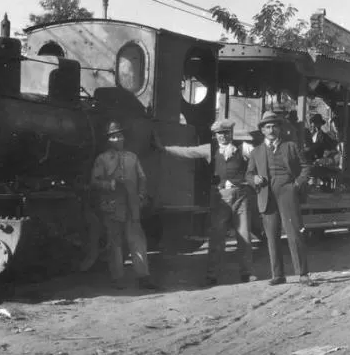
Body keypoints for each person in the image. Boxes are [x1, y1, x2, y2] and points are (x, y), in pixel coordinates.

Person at [157, 119, 256, 286]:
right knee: (217, 237)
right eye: (219, 133)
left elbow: (261, 156)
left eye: (226, 133)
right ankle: (212, 274)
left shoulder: (244, 147)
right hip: (219, 197)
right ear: (215, 135)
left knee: (244, 236)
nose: (223, 136)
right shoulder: (210, 149)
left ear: (231, 133)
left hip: (241, 196)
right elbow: (188, 152)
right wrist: (164, 149)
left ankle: (247, 273)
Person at [246, 111, 314, 286]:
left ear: (279, 128)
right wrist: (253, 179)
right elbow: (249, 174)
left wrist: (297, 185)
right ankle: (278, 275)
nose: (271, 130)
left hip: (287, 193)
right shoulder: (256, 152)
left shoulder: (290, 146)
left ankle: (303, 274)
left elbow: (305, 167)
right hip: (266, 196)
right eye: (267, 127)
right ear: (262, 130)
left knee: (294, 233)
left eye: (274, 126)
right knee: (271, 236)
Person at [91, 120, 158, 290]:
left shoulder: (132, 157)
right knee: (115, 243)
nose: (117, 139)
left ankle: (144, 277)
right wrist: (111, 184)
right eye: (113, 137)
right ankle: (117, 278)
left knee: (137, 241)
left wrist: (141, 195)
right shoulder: (102, 159)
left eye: (119, 136)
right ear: (108, 140)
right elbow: (95, 181)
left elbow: (142, 178)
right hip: (113, 206)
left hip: (132, 206)